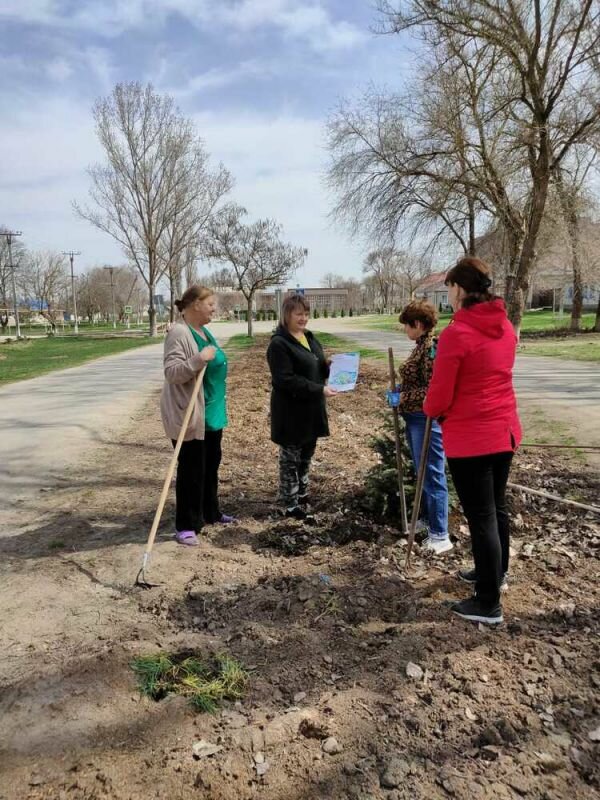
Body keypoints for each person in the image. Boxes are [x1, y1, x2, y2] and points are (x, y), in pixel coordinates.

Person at [424, 257, 522, 625]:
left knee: (482, 517)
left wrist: (428, 406)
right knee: (496, 509)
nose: (447, 295)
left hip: (473, 438)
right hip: (504, 430)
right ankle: (495, 574)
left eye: (448, 288)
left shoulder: (457, 334)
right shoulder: (506, 327)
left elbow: (438, 398)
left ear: (461, 290)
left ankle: (487, 602)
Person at [160, 285, 235, 546]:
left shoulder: (204, 331)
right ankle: (186, 524)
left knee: (210, 466)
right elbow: (172, 373)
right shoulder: (179, 333)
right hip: (190, 414)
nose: (214, 308)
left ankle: (210, 512)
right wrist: (198, 360)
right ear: (195, 305)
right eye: (210, 304)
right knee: (192, 470)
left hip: (211, 412)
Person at [266, 294, 337, 519]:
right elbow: (285, 379)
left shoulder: (309, 338)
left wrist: (328, 368)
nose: (304, 318)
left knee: (306, 454)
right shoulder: (279, 344)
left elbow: (315, 367)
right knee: (291, 458)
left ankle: (302, 493)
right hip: (291, 412)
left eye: (306, 314)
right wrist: (319, 389)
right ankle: (289, 502)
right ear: (287, 314)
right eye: (299, 314)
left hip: (311, 410)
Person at [398, 300, 451, 554]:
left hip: (426, 419)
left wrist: (402, 398)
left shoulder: (431, 348)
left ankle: (440, 534)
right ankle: (429, 520)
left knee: (432, 473)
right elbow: (414, 382)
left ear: (417, 325)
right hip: (415, 418)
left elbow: (432, 389)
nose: (405, 331)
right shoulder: (420, 346)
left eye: (406, 326)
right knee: (423, 472)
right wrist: (398, 393)